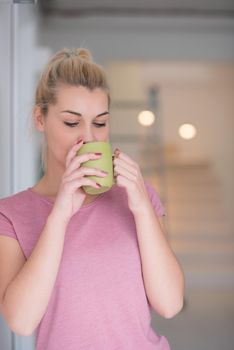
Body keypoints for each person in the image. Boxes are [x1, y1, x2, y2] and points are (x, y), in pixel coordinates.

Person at [0, 48, 184, 350]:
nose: (89, 137)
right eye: (72, 123)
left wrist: (141, 207)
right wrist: (59, 214)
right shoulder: (10, 214)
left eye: (100, 123)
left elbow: (170, 303)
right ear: (40, 119)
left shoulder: (137, 196)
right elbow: (21, 320)